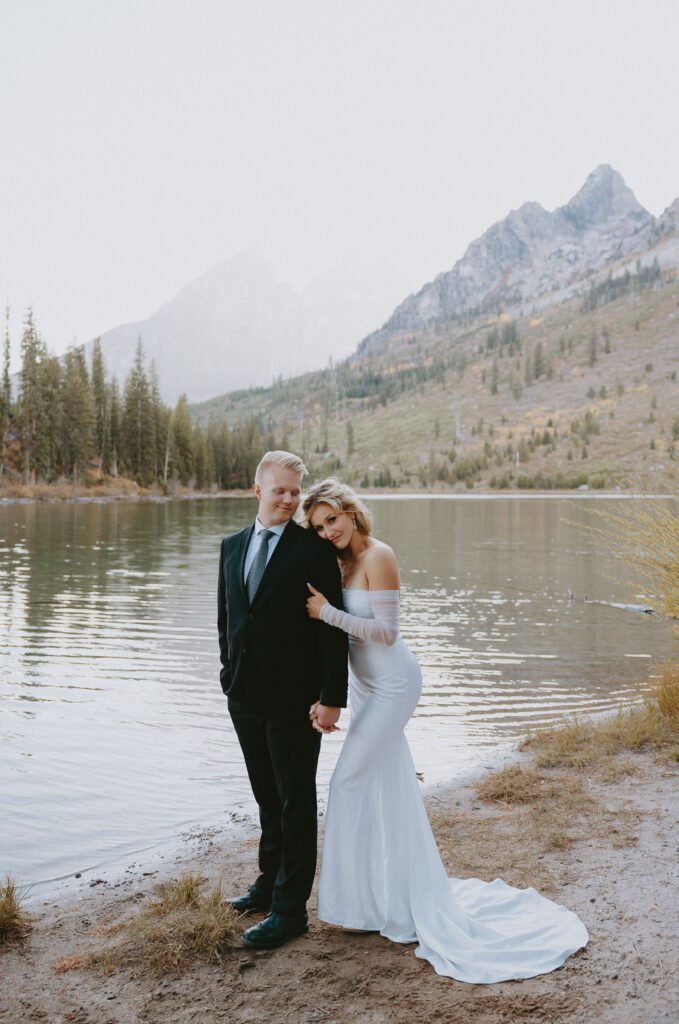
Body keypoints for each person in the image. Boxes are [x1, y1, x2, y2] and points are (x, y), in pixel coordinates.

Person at [301, 477, 589, 984]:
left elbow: (387, 633)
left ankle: (355, 904)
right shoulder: (338, 561)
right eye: (319, 525)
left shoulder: (378, 556)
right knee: (385, 788)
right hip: (365, 688)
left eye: (333, 519)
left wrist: (327, 612)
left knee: (346, 783)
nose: (327, 531)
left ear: (351, 512)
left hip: (393, 683)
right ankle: (384, 898)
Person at [218, 452, 348, 949]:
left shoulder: (311, 549)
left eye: (296, 491)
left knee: (295, 802)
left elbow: (330, 634)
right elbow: (227, 619)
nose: (290, 500)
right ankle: (268, 884)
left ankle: (291, 911)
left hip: (295, 701)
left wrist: (332, 697)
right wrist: (228, 675)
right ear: (258, 491)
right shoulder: (231, 547)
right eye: (281, 492)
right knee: (265, 797)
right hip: (244, 698)